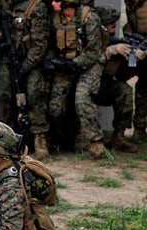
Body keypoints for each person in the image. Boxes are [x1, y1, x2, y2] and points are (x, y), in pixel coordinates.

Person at [46, 0, 107, 158]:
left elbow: (93, 52)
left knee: (82, 98)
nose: (53, 3)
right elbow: (52, 44)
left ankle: (95, 142)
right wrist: (52, 60)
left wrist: (71, 63)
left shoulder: (90, 17)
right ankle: (61, 139)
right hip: (66, 64)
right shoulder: (55, 18)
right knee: (55, 106)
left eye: (58, 1)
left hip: (89, 65)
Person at [0, 0, 52, 159]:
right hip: (10, 58)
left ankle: (39, 138)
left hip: (32, 60)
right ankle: (2, 138)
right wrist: (1, 39)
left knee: (34, 94)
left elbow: (40, 45)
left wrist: (24, 67)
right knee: (4, 94)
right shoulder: (4, 4)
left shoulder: (36, 6)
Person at [94, 4, 139, 153]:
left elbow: (123, 76)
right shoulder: (91, 39)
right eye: (109, 23)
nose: (113, 25)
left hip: (105, 86)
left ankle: (119, 138)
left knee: (124, 90)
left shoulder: (115, 41)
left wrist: (134, 59)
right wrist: (108, 51)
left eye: (114, 23)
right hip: (87, 87)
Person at [123, 0, 147, 142]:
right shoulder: (130, 2)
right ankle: (139, 128)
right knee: (143, 86)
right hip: (139, 47)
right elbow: (131, 25)